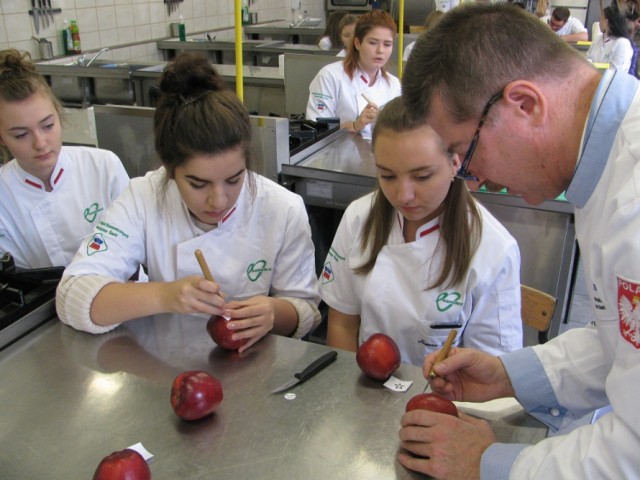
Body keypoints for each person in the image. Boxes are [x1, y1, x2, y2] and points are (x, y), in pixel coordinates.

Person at [399, 3, 640, 478]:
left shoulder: (633, 208)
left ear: (524, 104)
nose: (473, 180)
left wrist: (490, 463)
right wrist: (512, 375)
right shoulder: (609, 168)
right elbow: (622, 344)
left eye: (464, 154)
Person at [56, 53, 321, 352]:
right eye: (197, 184)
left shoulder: (282, 208)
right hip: (165, 363)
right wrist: (163, 296)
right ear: (170, 169)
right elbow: (71, 297)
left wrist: (274, 313)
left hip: (252, 370)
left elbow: (306, 311)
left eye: (234, 180)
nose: (218, 199)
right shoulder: (144, 197)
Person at [319, 97, 522, 367]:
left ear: (455, 162)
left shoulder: (494, 249)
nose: (404, 196)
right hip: (365, 390)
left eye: (422, 176)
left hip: (446, 400)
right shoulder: (359, 218)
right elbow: (343, 324)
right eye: (388, 176)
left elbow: (491, 367)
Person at [0, 49, 129, 270]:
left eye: (48, 125)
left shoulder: (103, 167)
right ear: (1, 139)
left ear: (59, 116)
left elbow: (137, 243)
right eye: (21, 135)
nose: (40, 143)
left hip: (125, 292)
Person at [306, 10, 402, 139]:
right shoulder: (330, 76)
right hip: (337, 157)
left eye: (387, 44)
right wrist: (355, 125)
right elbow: (316, 129)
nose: (380, 50)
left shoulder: (393, 85)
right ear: (357, 43)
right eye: (373, 43)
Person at [587, 5, 635, 74]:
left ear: (607, 21)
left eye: (600, 19)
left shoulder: (622, 43)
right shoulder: (598, 39)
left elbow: (617, 71)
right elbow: (587, 59)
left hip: (612, 82)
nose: (599, 22)